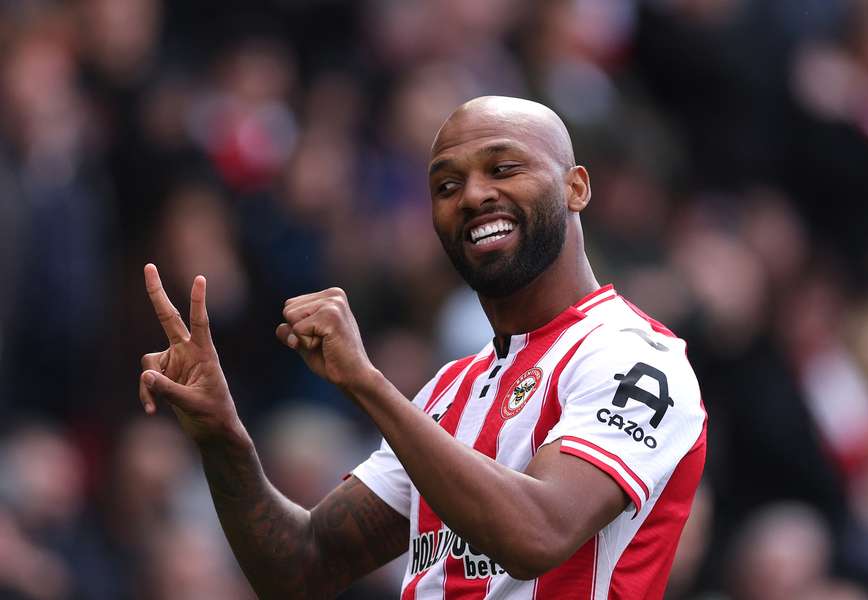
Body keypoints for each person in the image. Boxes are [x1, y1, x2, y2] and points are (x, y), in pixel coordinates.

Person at [138, 96, 707, 599]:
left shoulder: (636, 359)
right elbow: (301, 568)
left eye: (503, 168)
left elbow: (540, 534)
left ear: (575, 186)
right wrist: (221, 437)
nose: (474, 195)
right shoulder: (449, 393)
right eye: (446, 185)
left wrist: (367, 382)